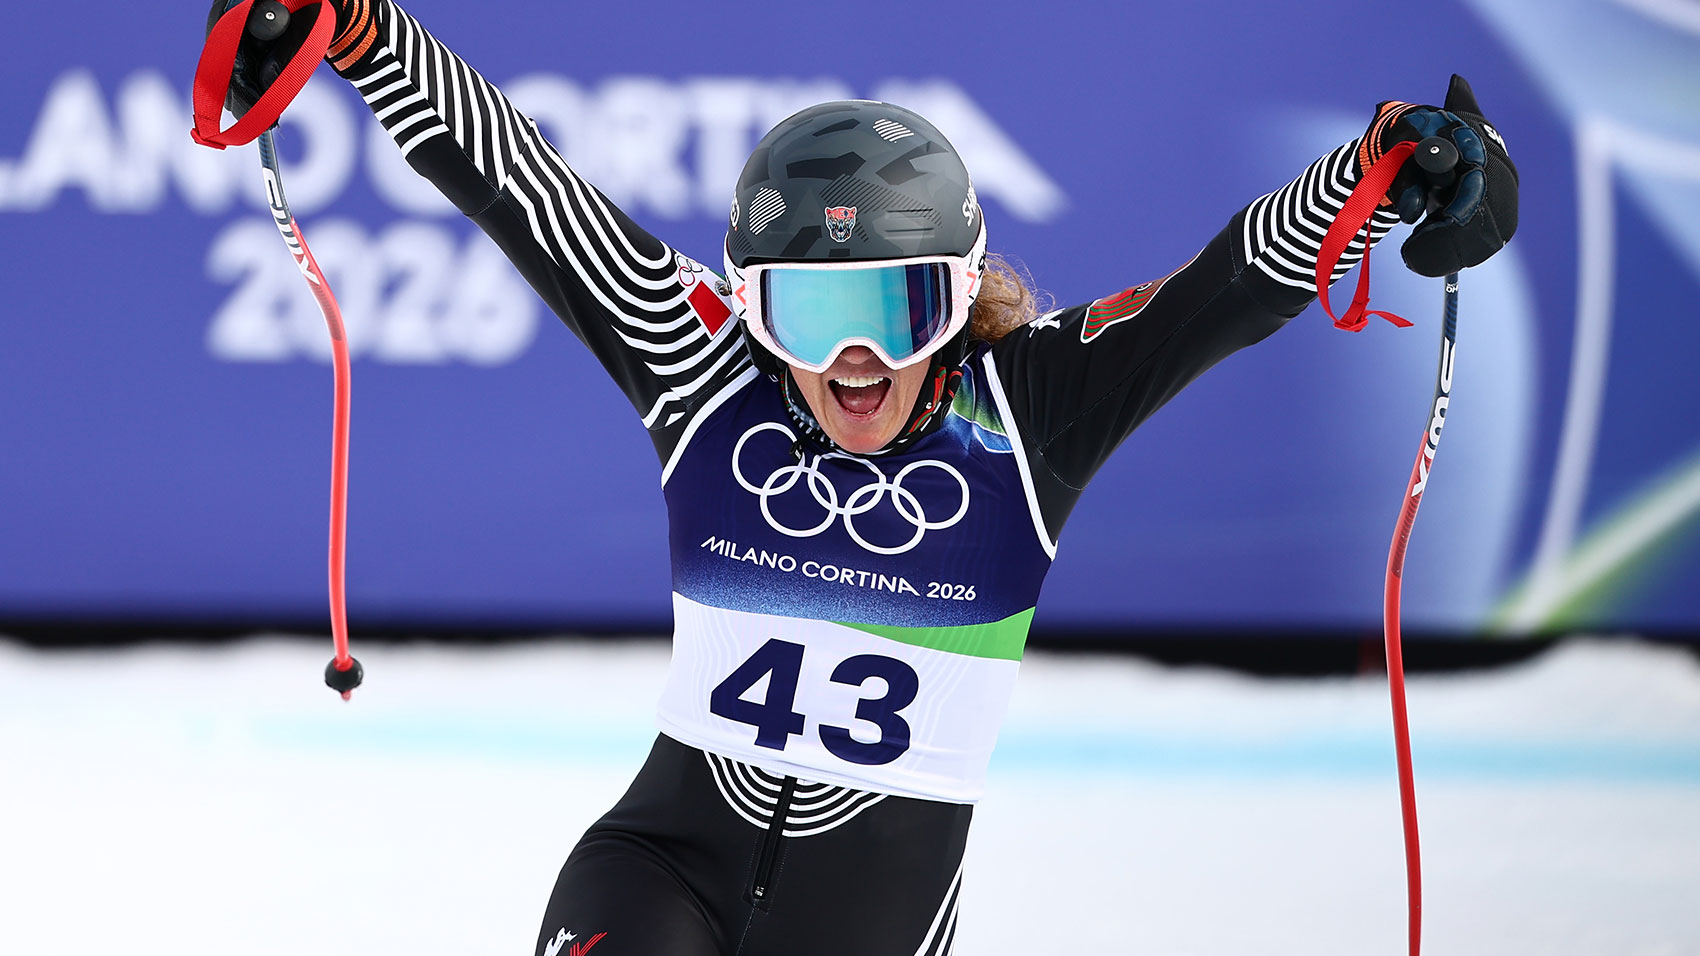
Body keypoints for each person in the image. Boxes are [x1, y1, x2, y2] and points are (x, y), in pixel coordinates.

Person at [212, 1, 1517, 952]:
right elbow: (526, 186)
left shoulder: (1031, 411)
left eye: (892, 307)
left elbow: (1225, 287)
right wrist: (364, 30)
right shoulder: (703, 368)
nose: (849, 355)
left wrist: (1389, 169)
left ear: (953, 302)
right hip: (656, 871)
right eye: (807, 307)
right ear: (750, 305)